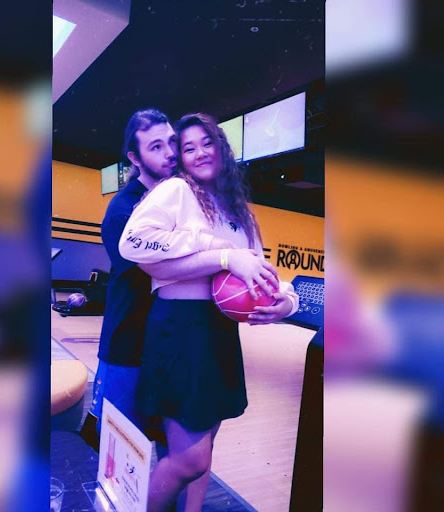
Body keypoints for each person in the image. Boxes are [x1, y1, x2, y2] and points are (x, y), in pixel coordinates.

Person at [118, 112, 300, 511]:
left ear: (222, 148)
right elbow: (132, 243)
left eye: (207, 143)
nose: (200, 153)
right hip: (180, 330)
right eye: (188, 148)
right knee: (191, 459)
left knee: (207, 443)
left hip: (219, 332)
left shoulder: (238, 210)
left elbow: (261, 268)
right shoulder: (176, 191)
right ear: (181, 159)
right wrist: (219, 252)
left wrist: (286, 302)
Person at [79, 108, 179, 450]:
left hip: (168, 346)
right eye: (156, 147)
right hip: (128, 346)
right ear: (135, 158)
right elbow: (163, 268)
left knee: (164, 445)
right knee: (116, 448)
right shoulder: (123, 210)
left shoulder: (180, 202)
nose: (170, 153)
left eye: (172, 142)